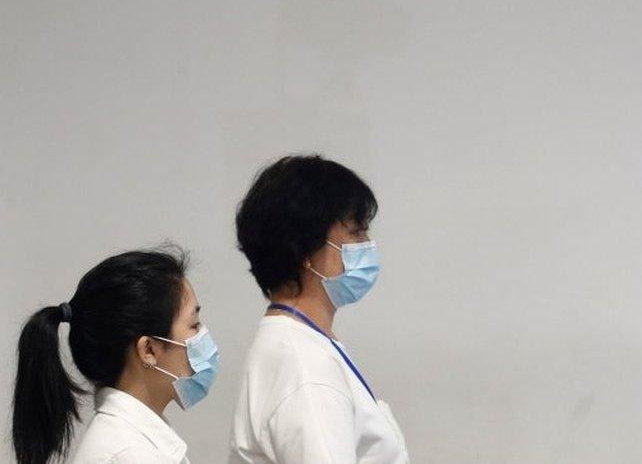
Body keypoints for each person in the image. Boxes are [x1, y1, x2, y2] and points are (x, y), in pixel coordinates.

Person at [229, 155, 408, 464]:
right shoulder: (304, 364)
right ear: (304, 250)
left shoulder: (304, 344)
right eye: (356, 232)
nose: (367, 244)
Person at [11, 248, 219, 464]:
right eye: (194, 325)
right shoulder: (128, 454)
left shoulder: (133, 442)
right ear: (148, 350)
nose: (203, 335)